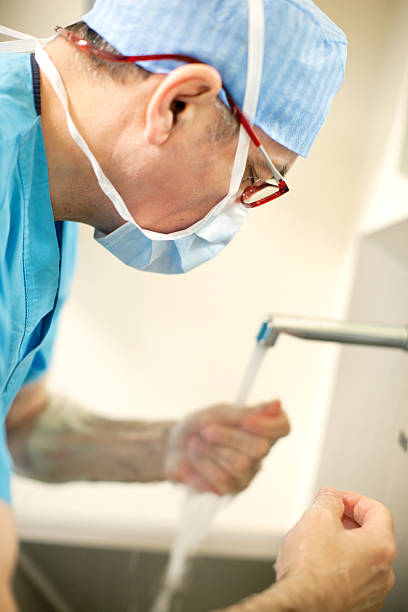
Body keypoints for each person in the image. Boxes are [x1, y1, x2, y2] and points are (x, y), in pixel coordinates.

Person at [0, 1, 396, 610]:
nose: (237, 211)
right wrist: (312, 599)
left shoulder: (47, 190)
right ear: (177, 102)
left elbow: (19, 427)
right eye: (255, 178)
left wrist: (168, 449)